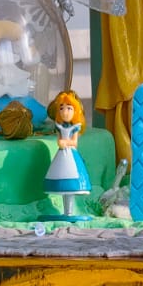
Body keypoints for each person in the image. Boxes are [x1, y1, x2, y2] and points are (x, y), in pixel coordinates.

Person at [42, 89, 92, 220]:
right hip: (61, 156)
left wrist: (65, 142)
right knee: (61, 184)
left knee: (71, 181)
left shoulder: (75, 127)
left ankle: (69, 212)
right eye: (62, 108)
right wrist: (60, 142)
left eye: (69, 108)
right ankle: (66, 212)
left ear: (75, 111)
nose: (65, 111)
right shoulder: (59, 127)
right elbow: (59, 139)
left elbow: (74, 142)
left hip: (70, 156)